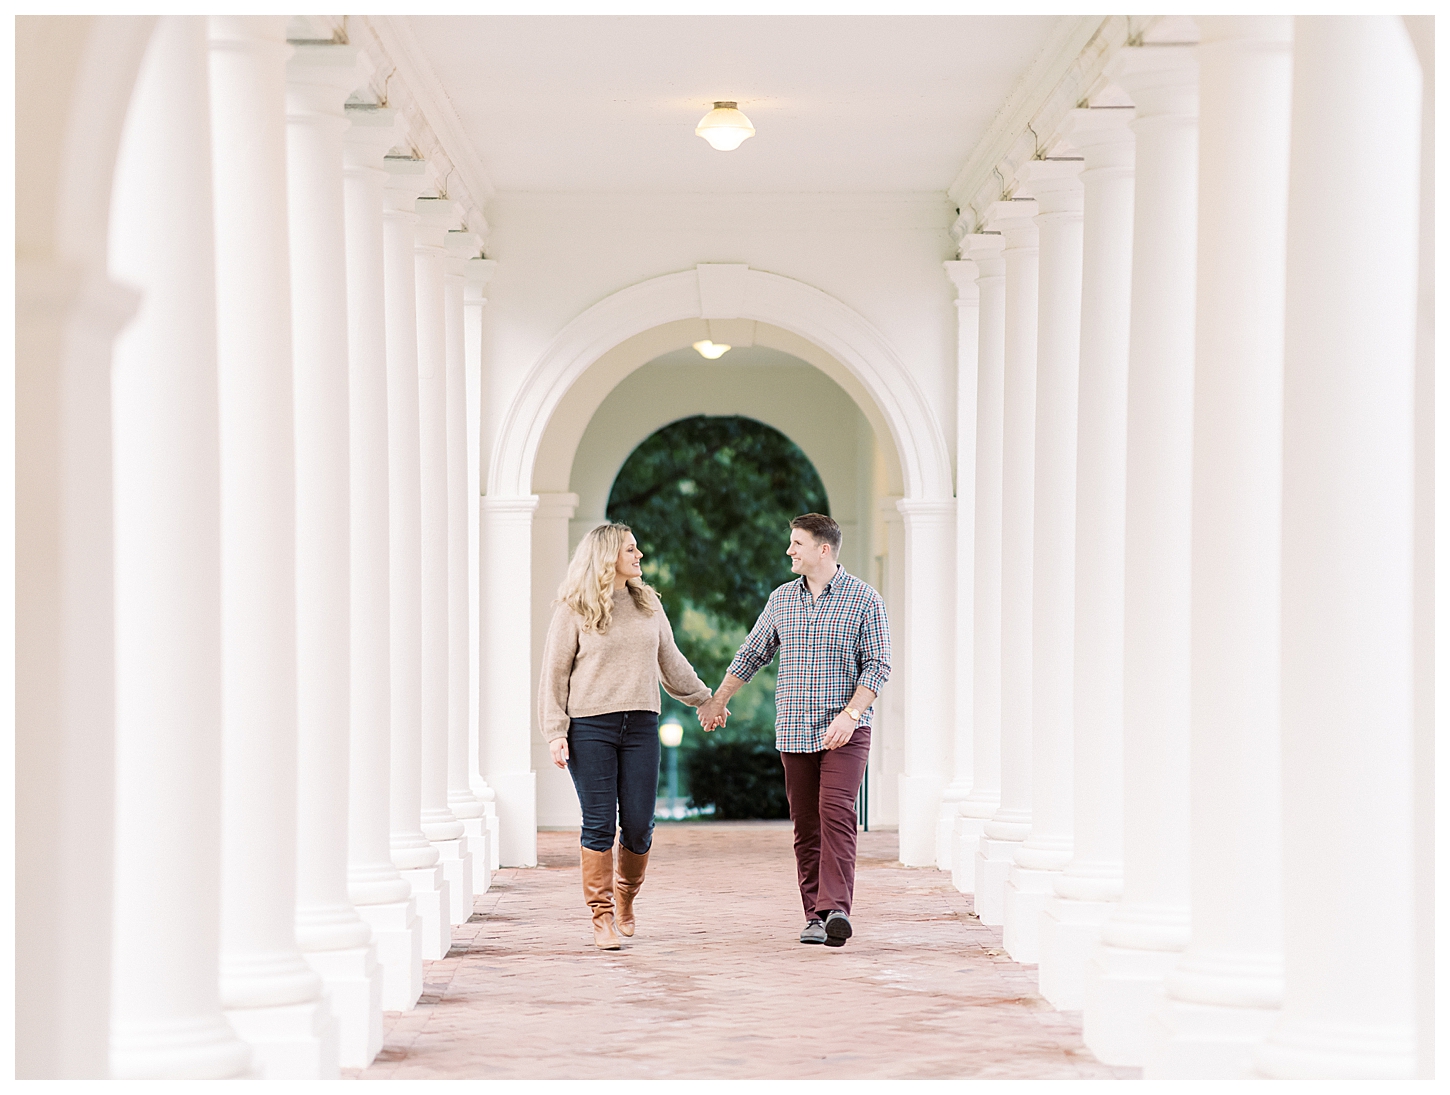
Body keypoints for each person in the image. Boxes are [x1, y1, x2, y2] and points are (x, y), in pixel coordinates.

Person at [697, 513, 890, 948]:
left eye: (797, 543)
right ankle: (815, 916)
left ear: (823, 549)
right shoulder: (782, 600)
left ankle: (836, 908)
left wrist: (851, 714)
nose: (789, 550)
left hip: (845, 731)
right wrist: (718, 700)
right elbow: (751, 654)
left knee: (836, 812)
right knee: (806, 824)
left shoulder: (865, 600)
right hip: (795, 731)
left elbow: (878, 664)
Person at [539, 522, 717, 950]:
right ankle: (600, 917)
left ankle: (626, 897)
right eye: (631, 550)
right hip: (590, 728)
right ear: (606, 556)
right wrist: (555, 731)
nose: (639, 556)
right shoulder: (574, 608)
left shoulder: (648, 604)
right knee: (599, 823)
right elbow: (554, 674)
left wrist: (706, 699)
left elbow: (671, 662)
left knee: (638, 825)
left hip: (640, 726)